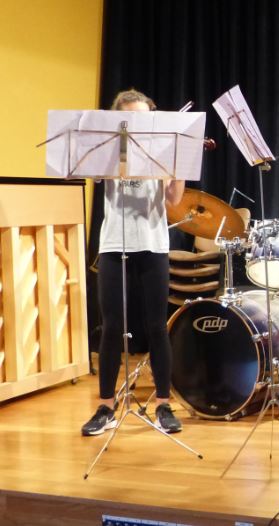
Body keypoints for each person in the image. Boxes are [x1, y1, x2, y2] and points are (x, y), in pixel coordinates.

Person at [81, 89, 185, 436]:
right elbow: (87, 174)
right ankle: (106, 407)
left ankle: (164, 405)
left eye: (144, 118)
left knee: (157, 326)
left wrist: (176, 166)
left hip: (153, 244)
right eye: (131, 119)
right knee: (111, 326)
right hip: (114, 244)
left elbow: (174, 199)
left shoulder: (162, 150)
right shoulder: (108, 151)